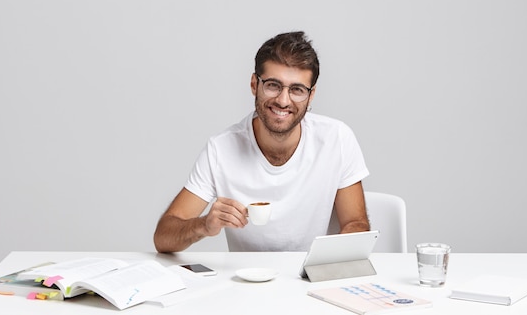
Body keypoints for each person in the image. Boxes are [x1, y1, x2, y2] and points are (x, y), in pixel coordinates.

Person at [154, 31, 370, 253]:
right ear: (254, 84)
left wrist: (325, 265)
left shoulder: (337, 139)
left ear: (311, 95)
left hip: (310, 280)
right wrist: (204, 225)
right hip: (247, 283)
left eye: (297, 90)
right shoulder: (221, 149)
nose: (283, 101)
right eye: (273, 85)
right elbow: (163, 237)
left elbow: (357, 224)